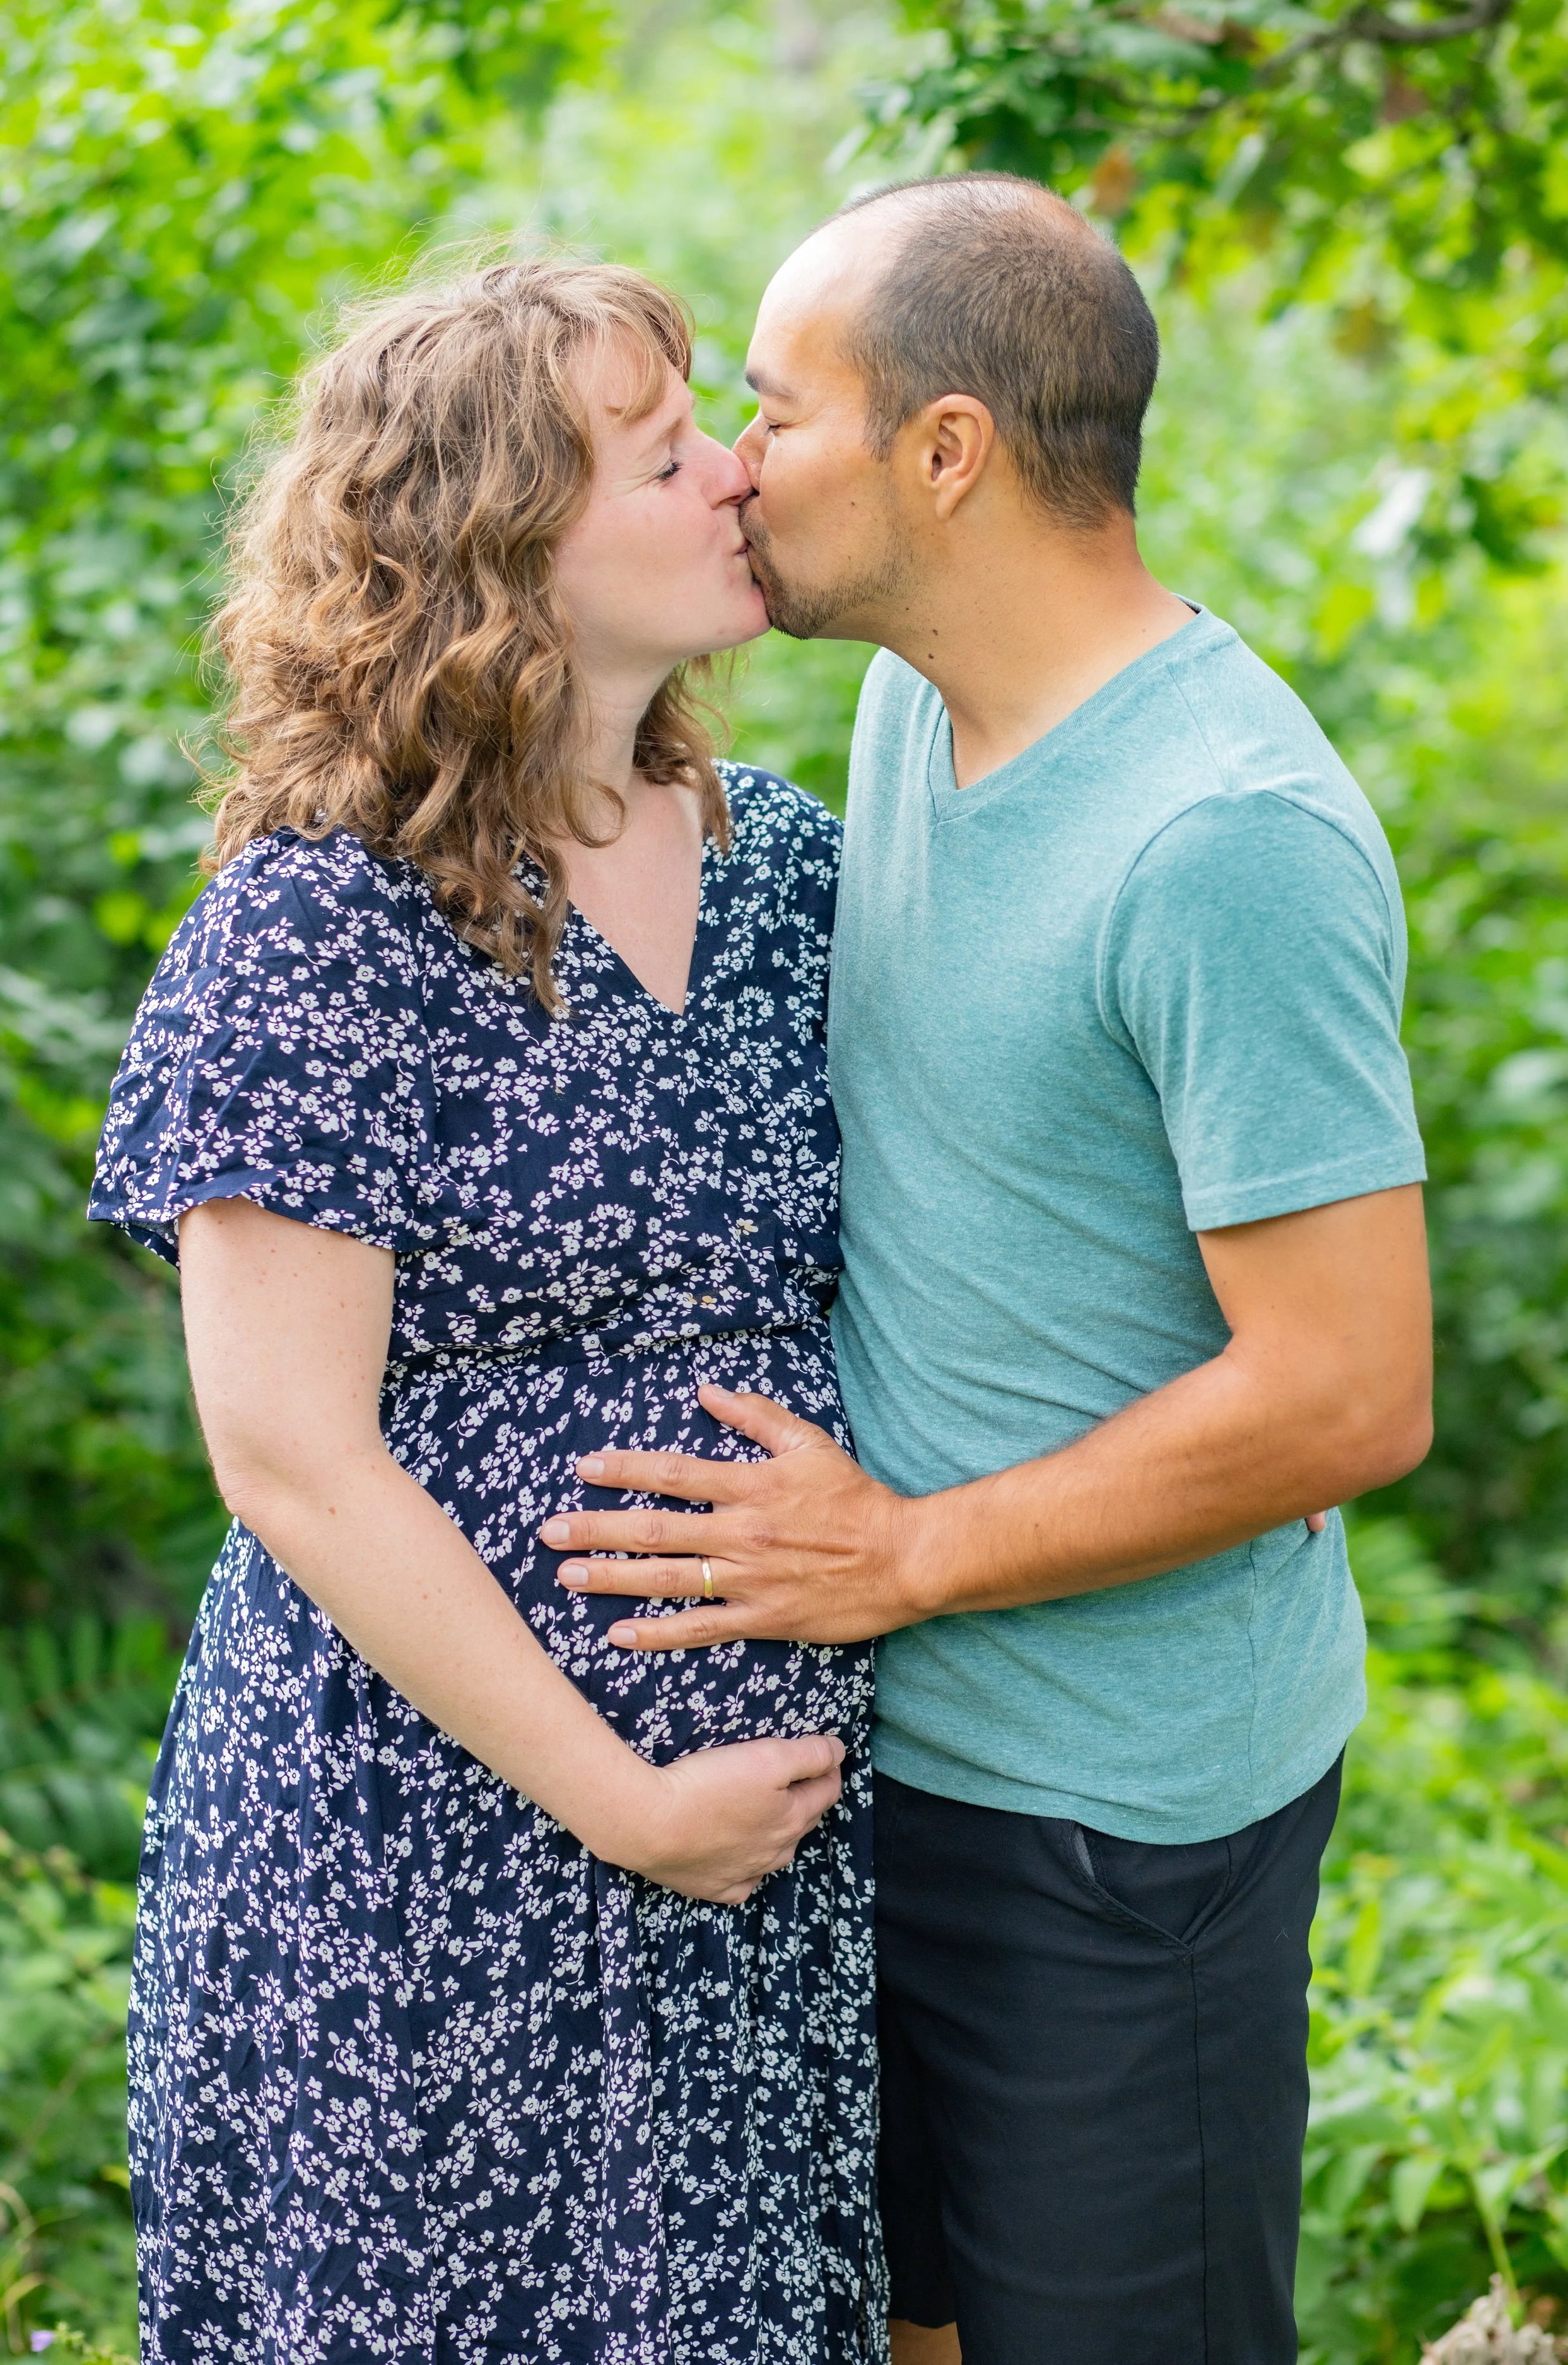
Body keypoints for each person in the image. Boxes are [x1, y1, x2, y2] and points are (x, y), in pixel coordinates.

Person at [539, 177, 1434, 2365]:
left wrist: (906, 1548)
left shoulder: (1223, 840)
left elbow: (1348, 1395)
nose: (739, 461)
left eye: (777, 408)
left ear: (944, 452)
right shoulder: (909, 717)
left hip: (1115, 1828)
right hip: (875, 1763)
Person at [90, 259, 885, 2365]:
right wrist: (623, 1797)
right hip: (420, 1852)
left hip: (755, 1878)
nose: (735, 476)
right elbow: (288, 1450)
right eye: (665, 452)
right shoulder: (319, 921)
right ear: (498, 546)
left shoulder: (794, 869)